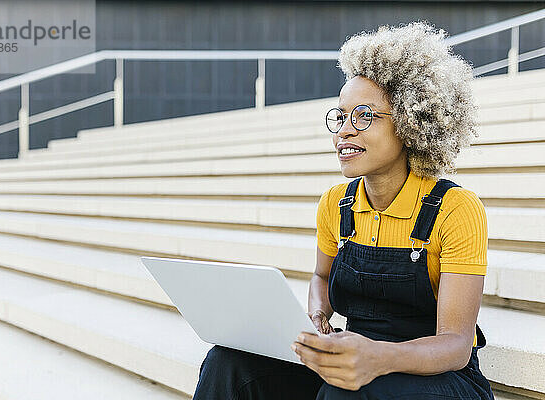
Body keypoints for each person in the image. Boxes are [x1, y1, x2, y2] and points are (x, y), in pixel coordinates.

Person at [192, 21, 495, 400]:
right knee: (228, 364)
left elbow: (455, 345)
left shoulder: (455, 209)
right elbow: (321, 277)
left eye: (364, 116)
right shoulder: (337, 202)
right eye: (340, 116)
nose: (344, 132)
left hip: (437, 378)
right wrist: (318, 319)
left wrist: (378, 356)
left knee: (345, 393)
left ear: (410, 123)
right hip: (353, 360)